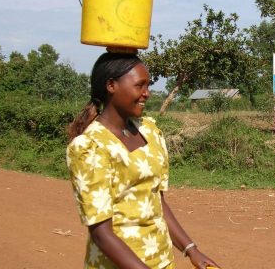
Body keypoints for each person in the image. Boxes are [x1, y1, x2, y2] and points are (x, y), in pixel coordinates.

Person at [66, 52, 220, 269]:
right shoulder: (90, 146)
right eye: (140, 85)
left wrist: (191, 249)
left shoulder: (148, 130)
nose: (147, 93)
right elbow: (101, 233)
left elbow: (156, 201)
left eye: (148, 86)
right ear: (111, 85)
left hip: (161, 261)